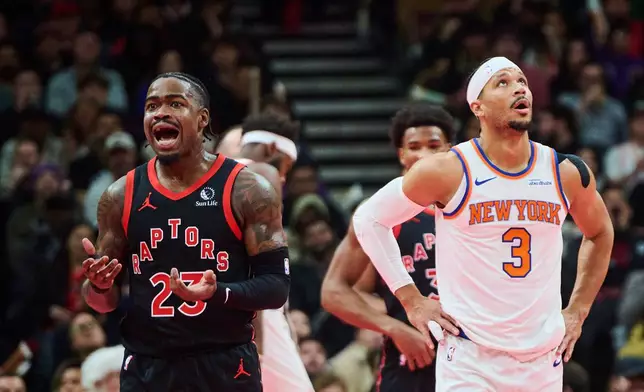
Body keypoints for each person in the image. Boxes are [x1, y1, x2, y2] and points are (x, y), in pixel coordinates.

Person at [351, 57, 614, 391]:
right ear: (478, 107)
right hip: (470, 358)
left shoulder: (566, 172)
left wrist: (578, 309)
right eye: (502, 83)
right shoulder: (448, 170)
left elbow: (600, 232)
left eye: (522, 81)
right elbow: (369, 219)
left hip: (541, 359)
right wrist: (412, 301)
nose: (520, 87)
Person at [80, 72, 291, 391]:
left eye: (175, 104)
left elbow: (276, 287)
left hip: (224, 363)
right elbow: (101, 303)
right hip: (148, 367)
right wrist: (98, 285)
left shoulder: (246, 189)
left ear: (202, 118)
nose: (160, 113)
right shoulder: (119, 196)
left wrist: (218, 292)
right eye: (152, 106)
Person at [321, 103, 454, 392]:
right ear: (401, 154)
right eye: (414, 146)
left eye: (434, 145)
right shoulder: (379, 217)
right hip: (413, 359)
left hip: (475, 356)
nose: (424, 154)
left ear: (450, 150)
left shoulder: (473, 208)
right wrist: (394, 326)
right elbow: (334, 293)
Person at [217, 112, 314, 392]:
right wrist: (257, 339)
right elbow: (254, 260)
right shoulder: (262, 172)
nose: (283, 178)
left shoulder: (209, 175)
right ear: (272, 150)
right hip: (250, 308)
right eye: (286, 167)